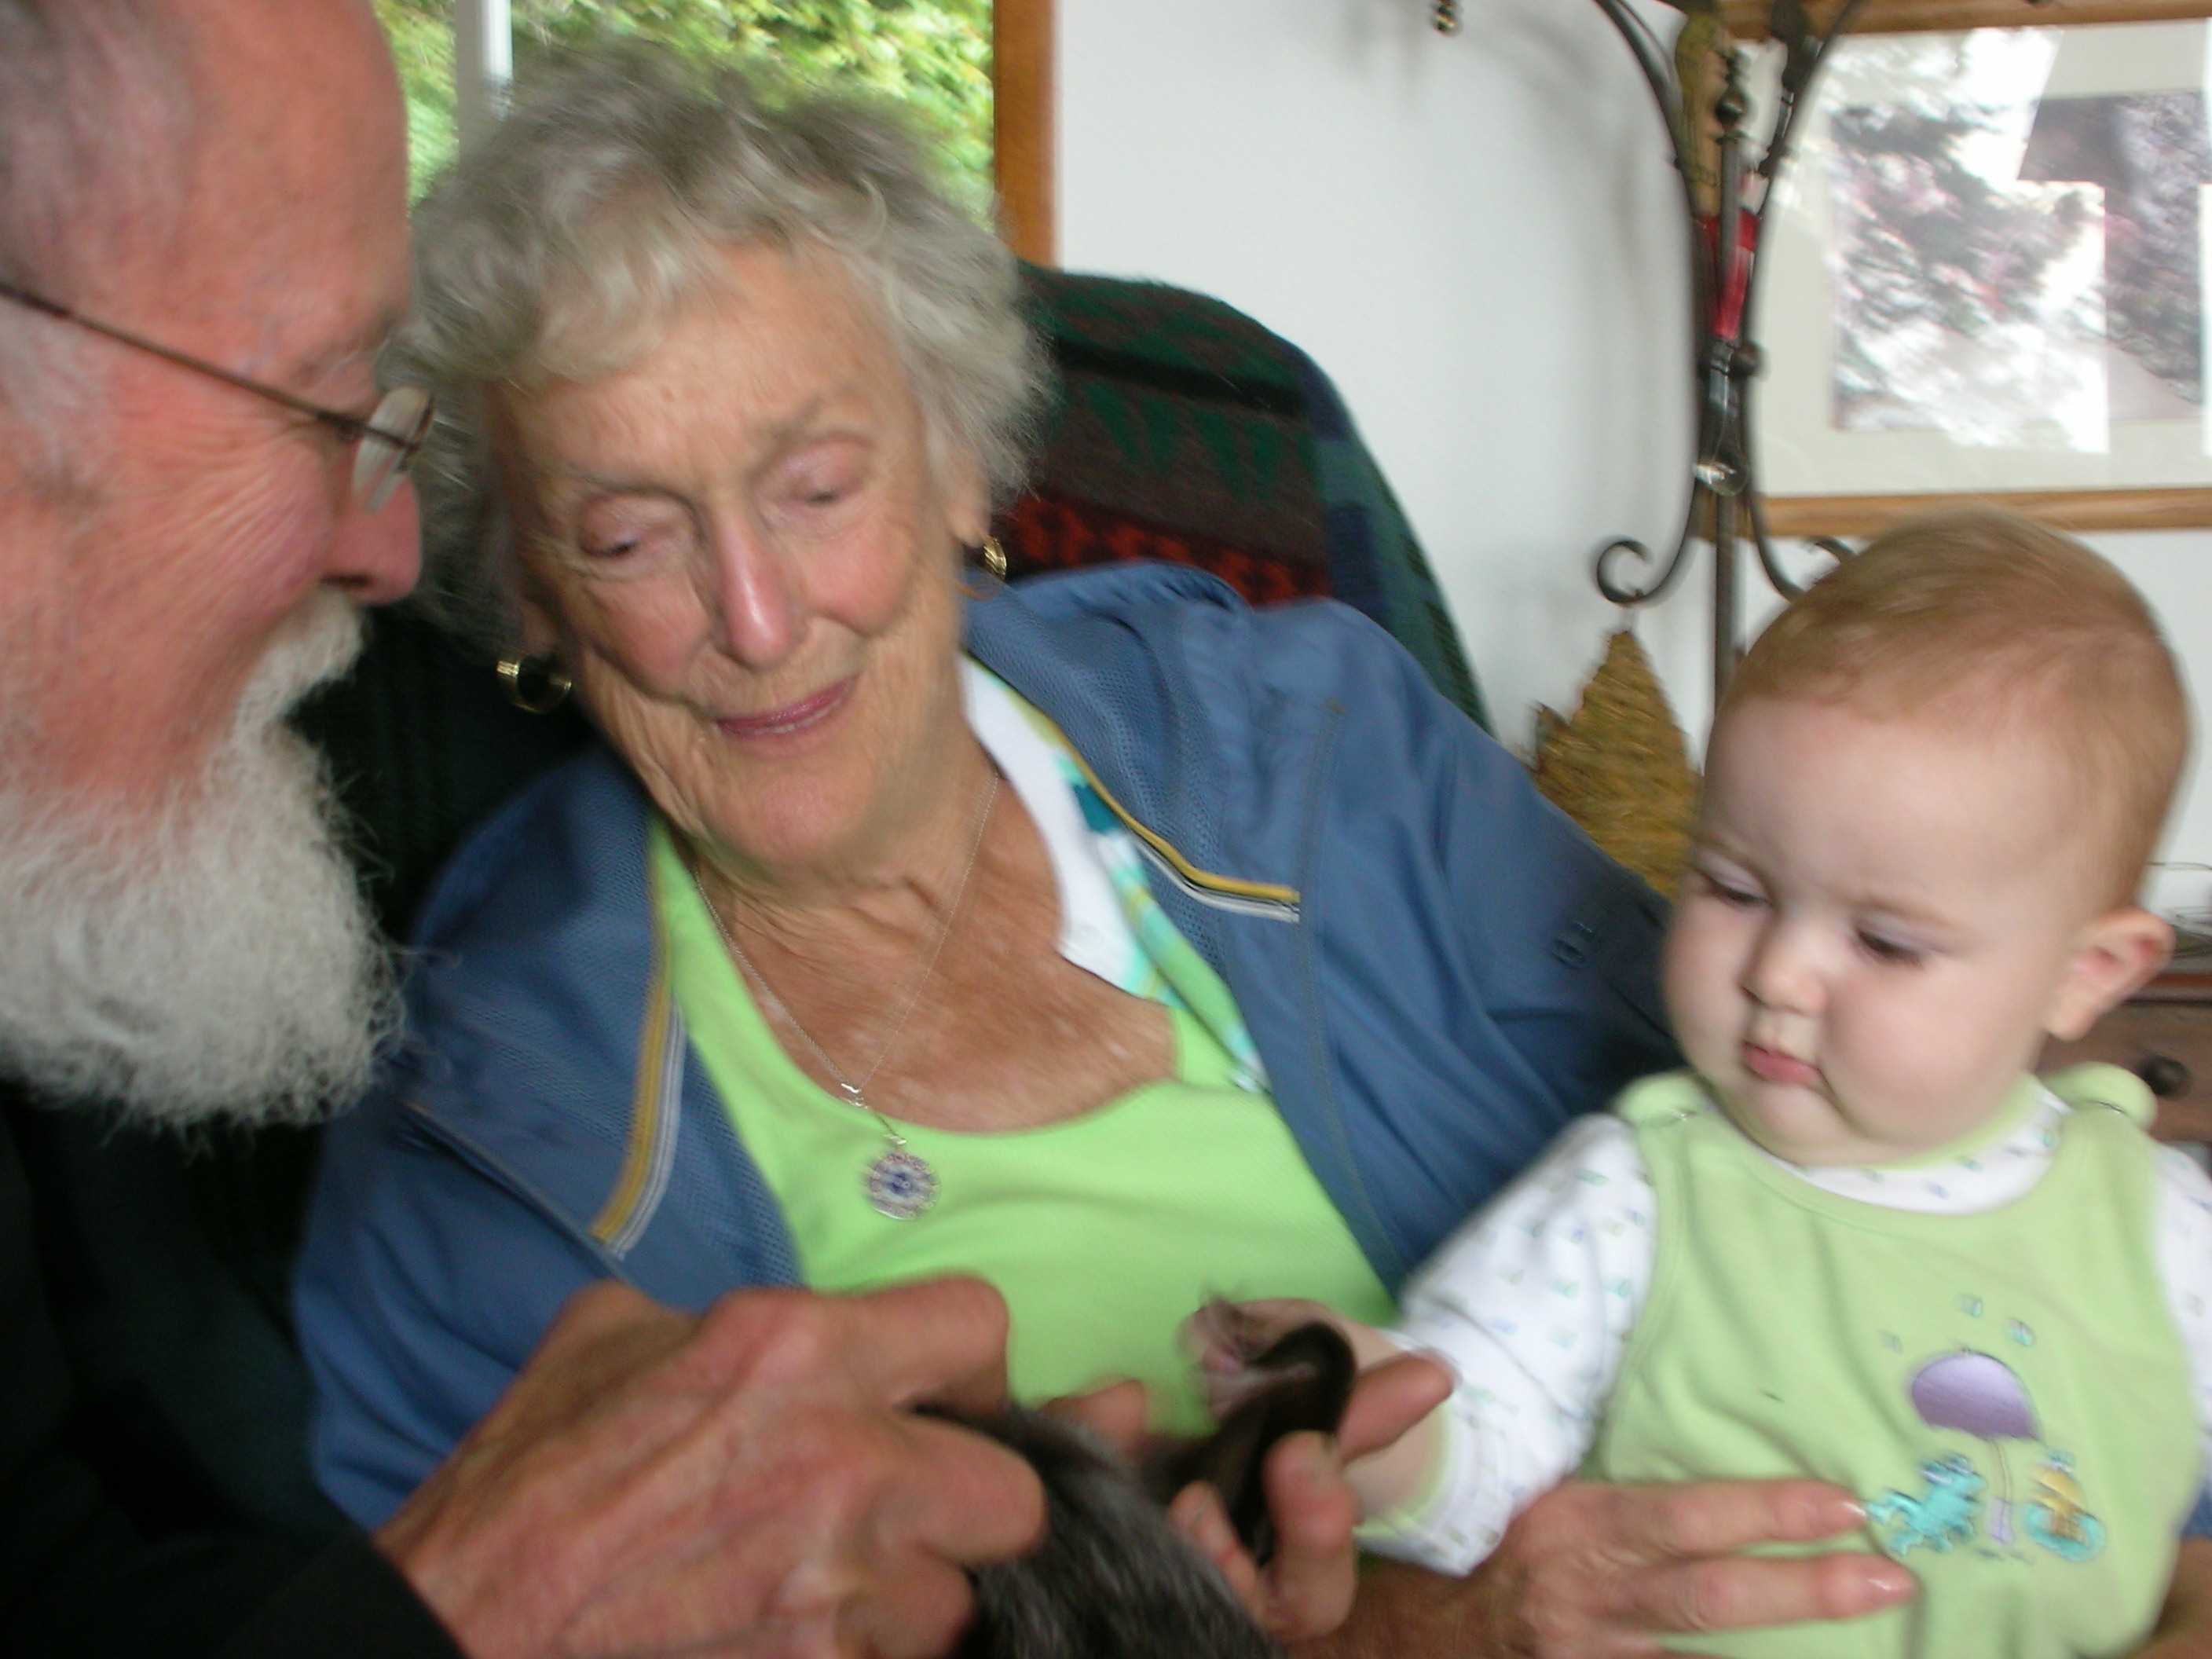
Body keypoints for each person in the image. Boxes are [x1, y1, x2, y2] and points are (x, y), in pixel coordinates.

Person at [291, 39, 1972, 1657]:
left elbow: (1813, 1141)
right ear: (528, 596)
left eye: (816, 488)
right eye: (628, 535)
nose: (754, 614)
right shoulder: (488, 1137)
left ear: (963, 473)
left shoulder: (1316, 751)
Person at [0, 2, 1073, 1654]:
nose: (382, 556)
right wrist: (490, 1604)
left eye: (815, 489)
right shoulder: (491, 1112)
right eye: (321, 406)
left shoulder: (1290, 725)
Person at [1223, 512, 2212, 1656]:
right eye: (1736, 890)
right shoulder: (1633, 1195)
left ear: (2088, 973)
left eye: (1885, 942)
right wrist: (1366, 1417)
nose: (1779, 973)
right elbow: (1481, 1457)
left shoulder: (2155, 1223)